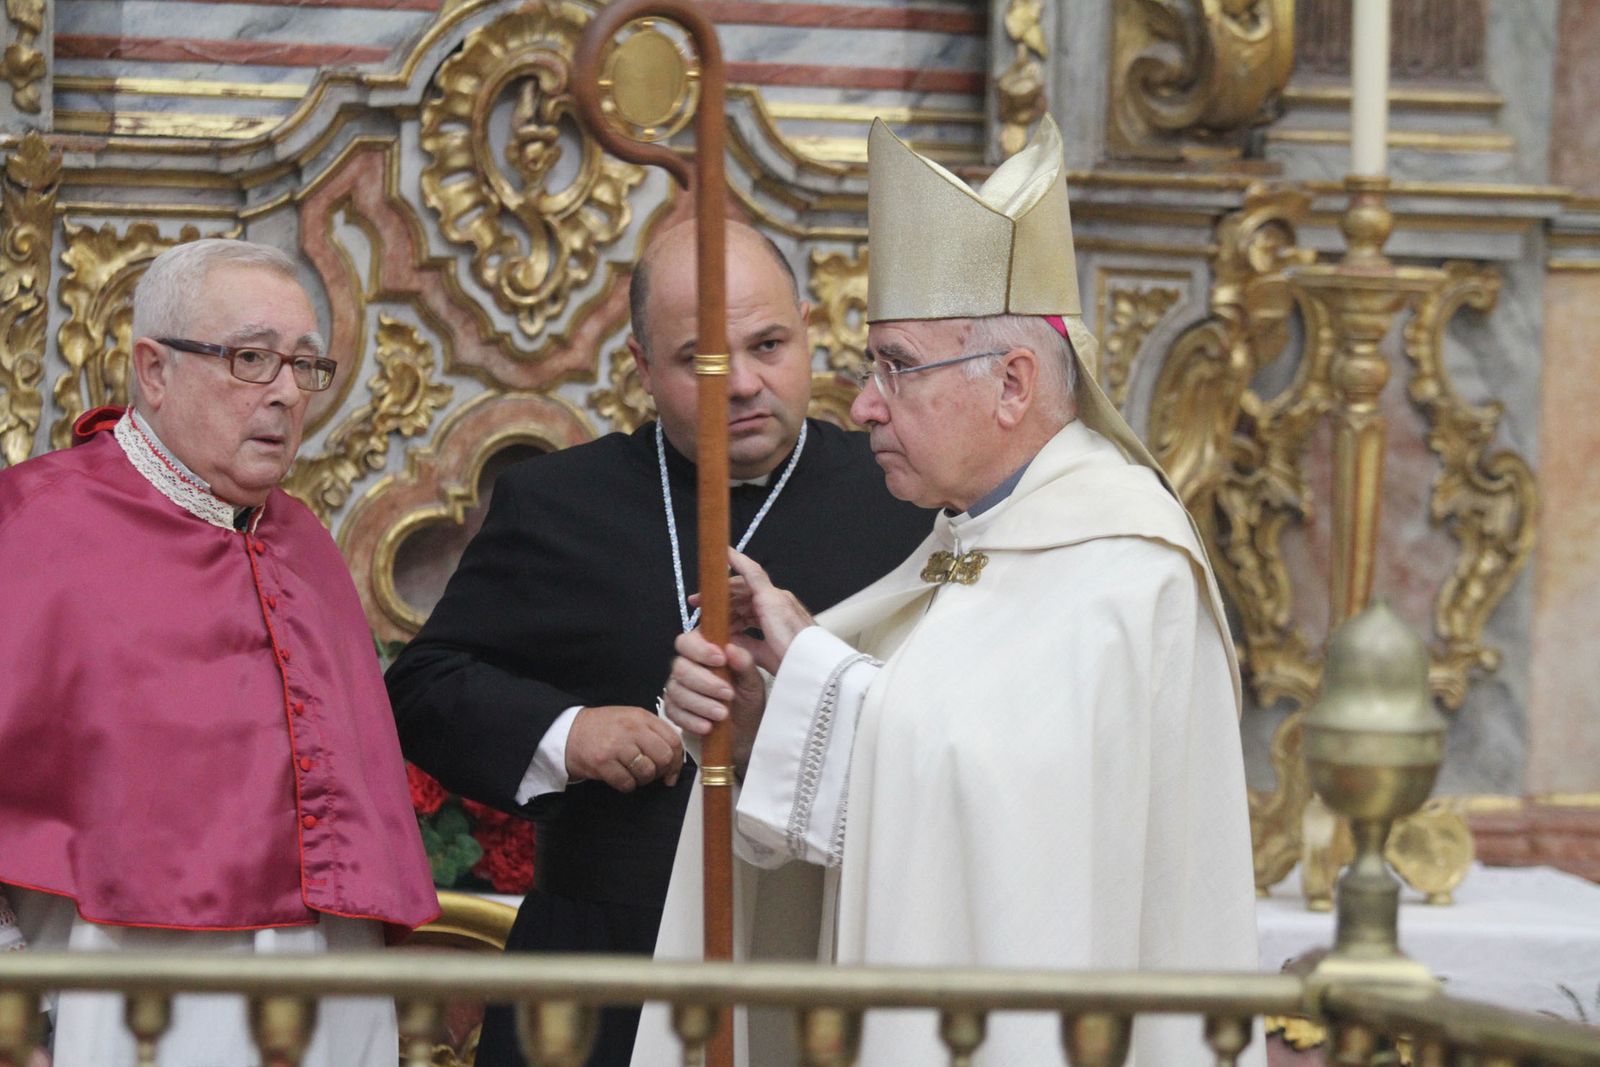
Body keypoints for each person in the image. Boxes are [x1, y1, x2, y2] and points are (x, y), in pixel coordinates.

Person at [643, 115, 1261, 1066]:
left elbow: (1022, 831)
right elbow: (922, 774)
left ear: (1013, 383)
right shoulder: (967, 539)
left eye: (897, 366)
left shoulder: (1128, 570)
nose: (863, 404)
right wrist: (768, 713)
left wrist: (817, 677)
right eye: (871, 367)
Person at [385, 220, 934, 1067]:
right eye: (701, 362)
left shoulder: (905, 501)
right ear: (642, 367)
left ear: (809, 329)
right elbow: (422, 685)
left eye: (769, 345)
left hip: (820, 949)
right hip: (599, 966)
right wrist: (568, 733)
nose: (743, 384)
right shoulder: (556, 503)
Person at [0, 239, 440, 1067]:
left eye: (304, 365)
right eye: (251, 359)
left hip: (326, 998)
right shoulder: (30, 525)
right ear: (155, 370)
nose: (287, 393)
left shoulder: (304, 544)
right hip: (123, 994)